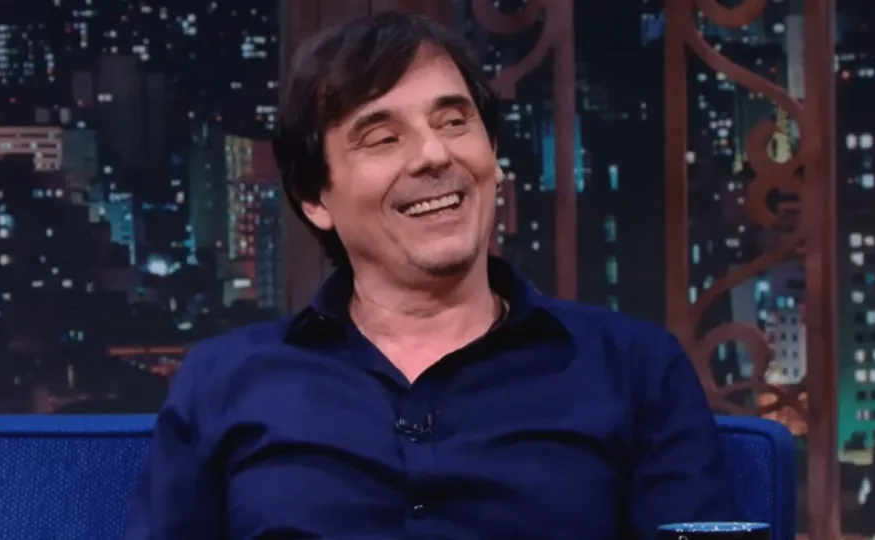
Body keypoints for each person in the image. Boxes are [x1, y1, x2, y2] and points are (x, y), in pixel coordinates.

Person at [125, 12, 738, 539]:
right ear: (315, 198)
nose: (434, 155)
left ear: (492, 156)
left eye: (453, 122)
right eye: (382, 138)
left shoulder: (635, 369)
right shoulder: (224, 383)